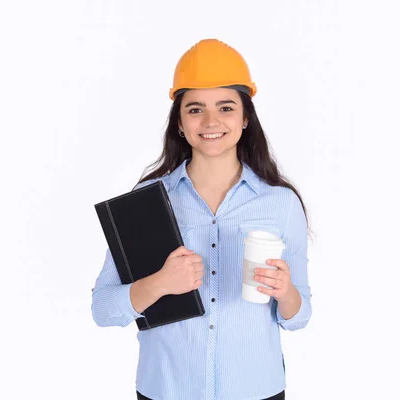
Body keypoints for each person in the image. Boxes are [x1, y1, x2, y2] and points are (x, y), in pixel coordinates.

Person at [91, 38, 312, 400]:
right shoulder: (146, 201)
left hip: (256, 390)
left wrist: (285, 292)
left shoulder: (281, 203)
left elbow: (300, 316)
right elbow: (103, 309)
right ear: (180, 121)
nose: (210, 121)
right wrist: (160, 283)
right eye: (195, 109)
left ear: (245, 119)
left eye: (226, 108)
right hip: (167, 390)